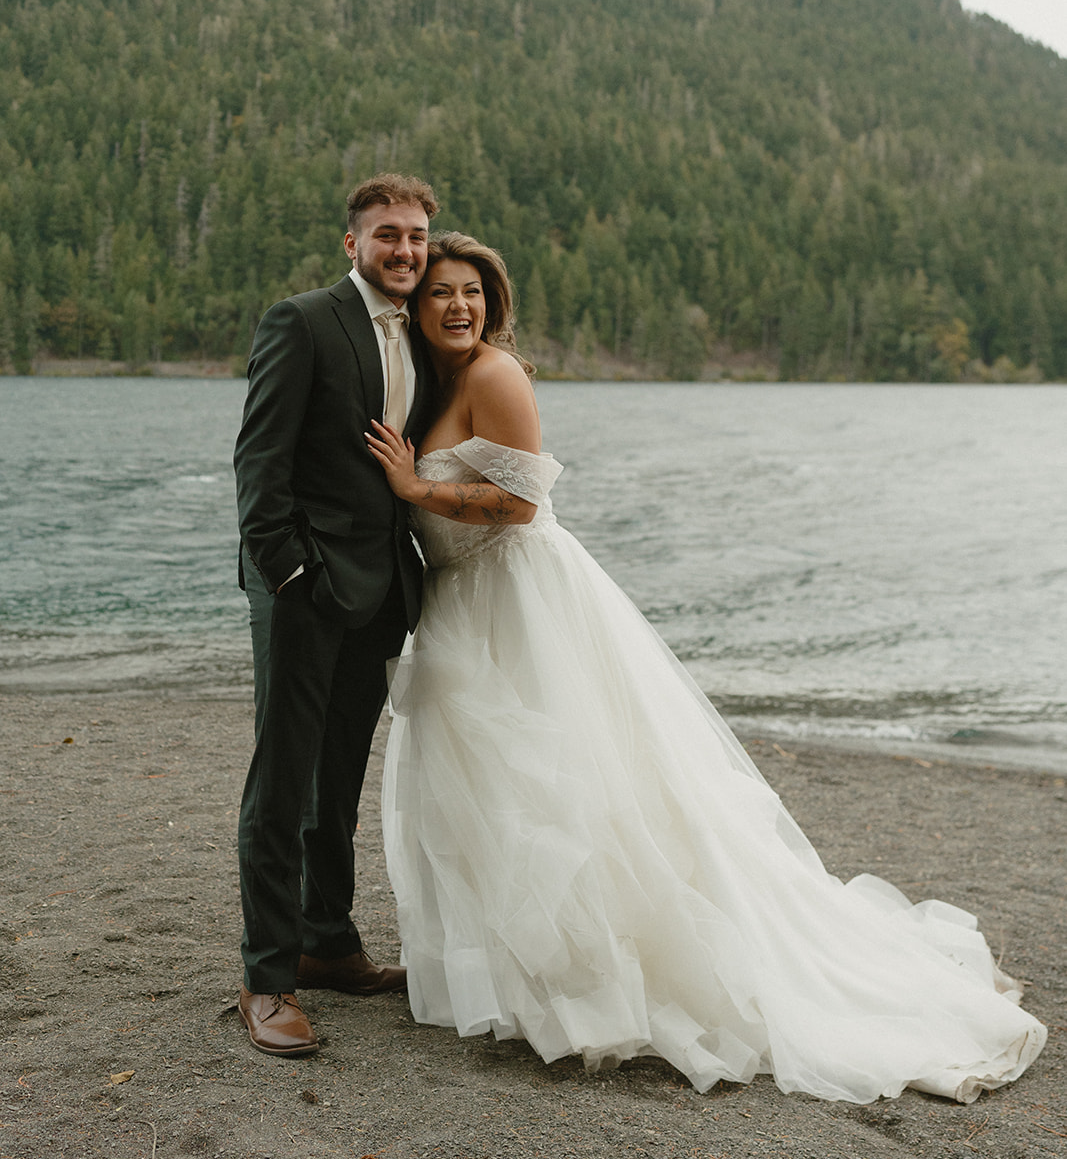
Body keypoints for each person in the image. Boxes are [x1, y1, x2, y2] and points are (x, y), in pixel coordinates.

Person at [366, 231, 1046, 1103]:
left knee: (569, 792)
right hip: (465, 605)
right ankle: (533, 982)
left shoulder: (495, 374)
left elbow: (523, 499)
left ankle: (609, 981)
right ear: (415, 305)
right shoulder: (430, 385)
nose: (458, 306)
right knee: (499, 797)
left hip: (521, 602)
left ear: (491, 304)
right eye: (440, 294)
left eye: (473, 292)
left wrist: (419, 491)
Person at [232, 172, 439, 1056]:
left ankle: (329, 942)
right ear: (350, 244)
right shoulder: (303, 319)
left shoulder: (423, 332)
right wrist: (284, 575)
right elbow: (259, 460)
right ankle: (267, 976)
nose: (404, 250)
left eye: (417, 237)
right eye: (386, 234)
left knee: (339, 779)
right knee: (281, 783)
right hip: (305, 590)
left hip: (383, 587)